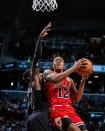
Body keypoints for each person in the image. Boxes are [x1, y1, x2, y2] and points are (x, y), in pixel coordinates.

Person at [43, 56, 90, 131]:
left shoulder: (70, 80)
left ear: (64, 66)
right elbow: (56, 79)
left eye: (60, 60)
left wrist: (83, 80)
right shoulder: (48, 73)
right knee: (75, 130)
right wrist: (74, 67)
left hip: (70, 110)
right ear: (53, 65)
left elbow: (77, 99)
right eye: (56, 61)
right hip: (56, 109)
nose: (58, 61)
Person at [24, 22, 52, 131]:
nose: (40, 75)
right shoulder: (35, 82)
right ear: (30, 77)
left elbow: (28, 110)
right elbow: (36, 57)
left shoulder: (30, 90)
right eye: (37, 74)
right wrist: (40, 39)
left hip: (31, 118)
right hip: (40, 116)